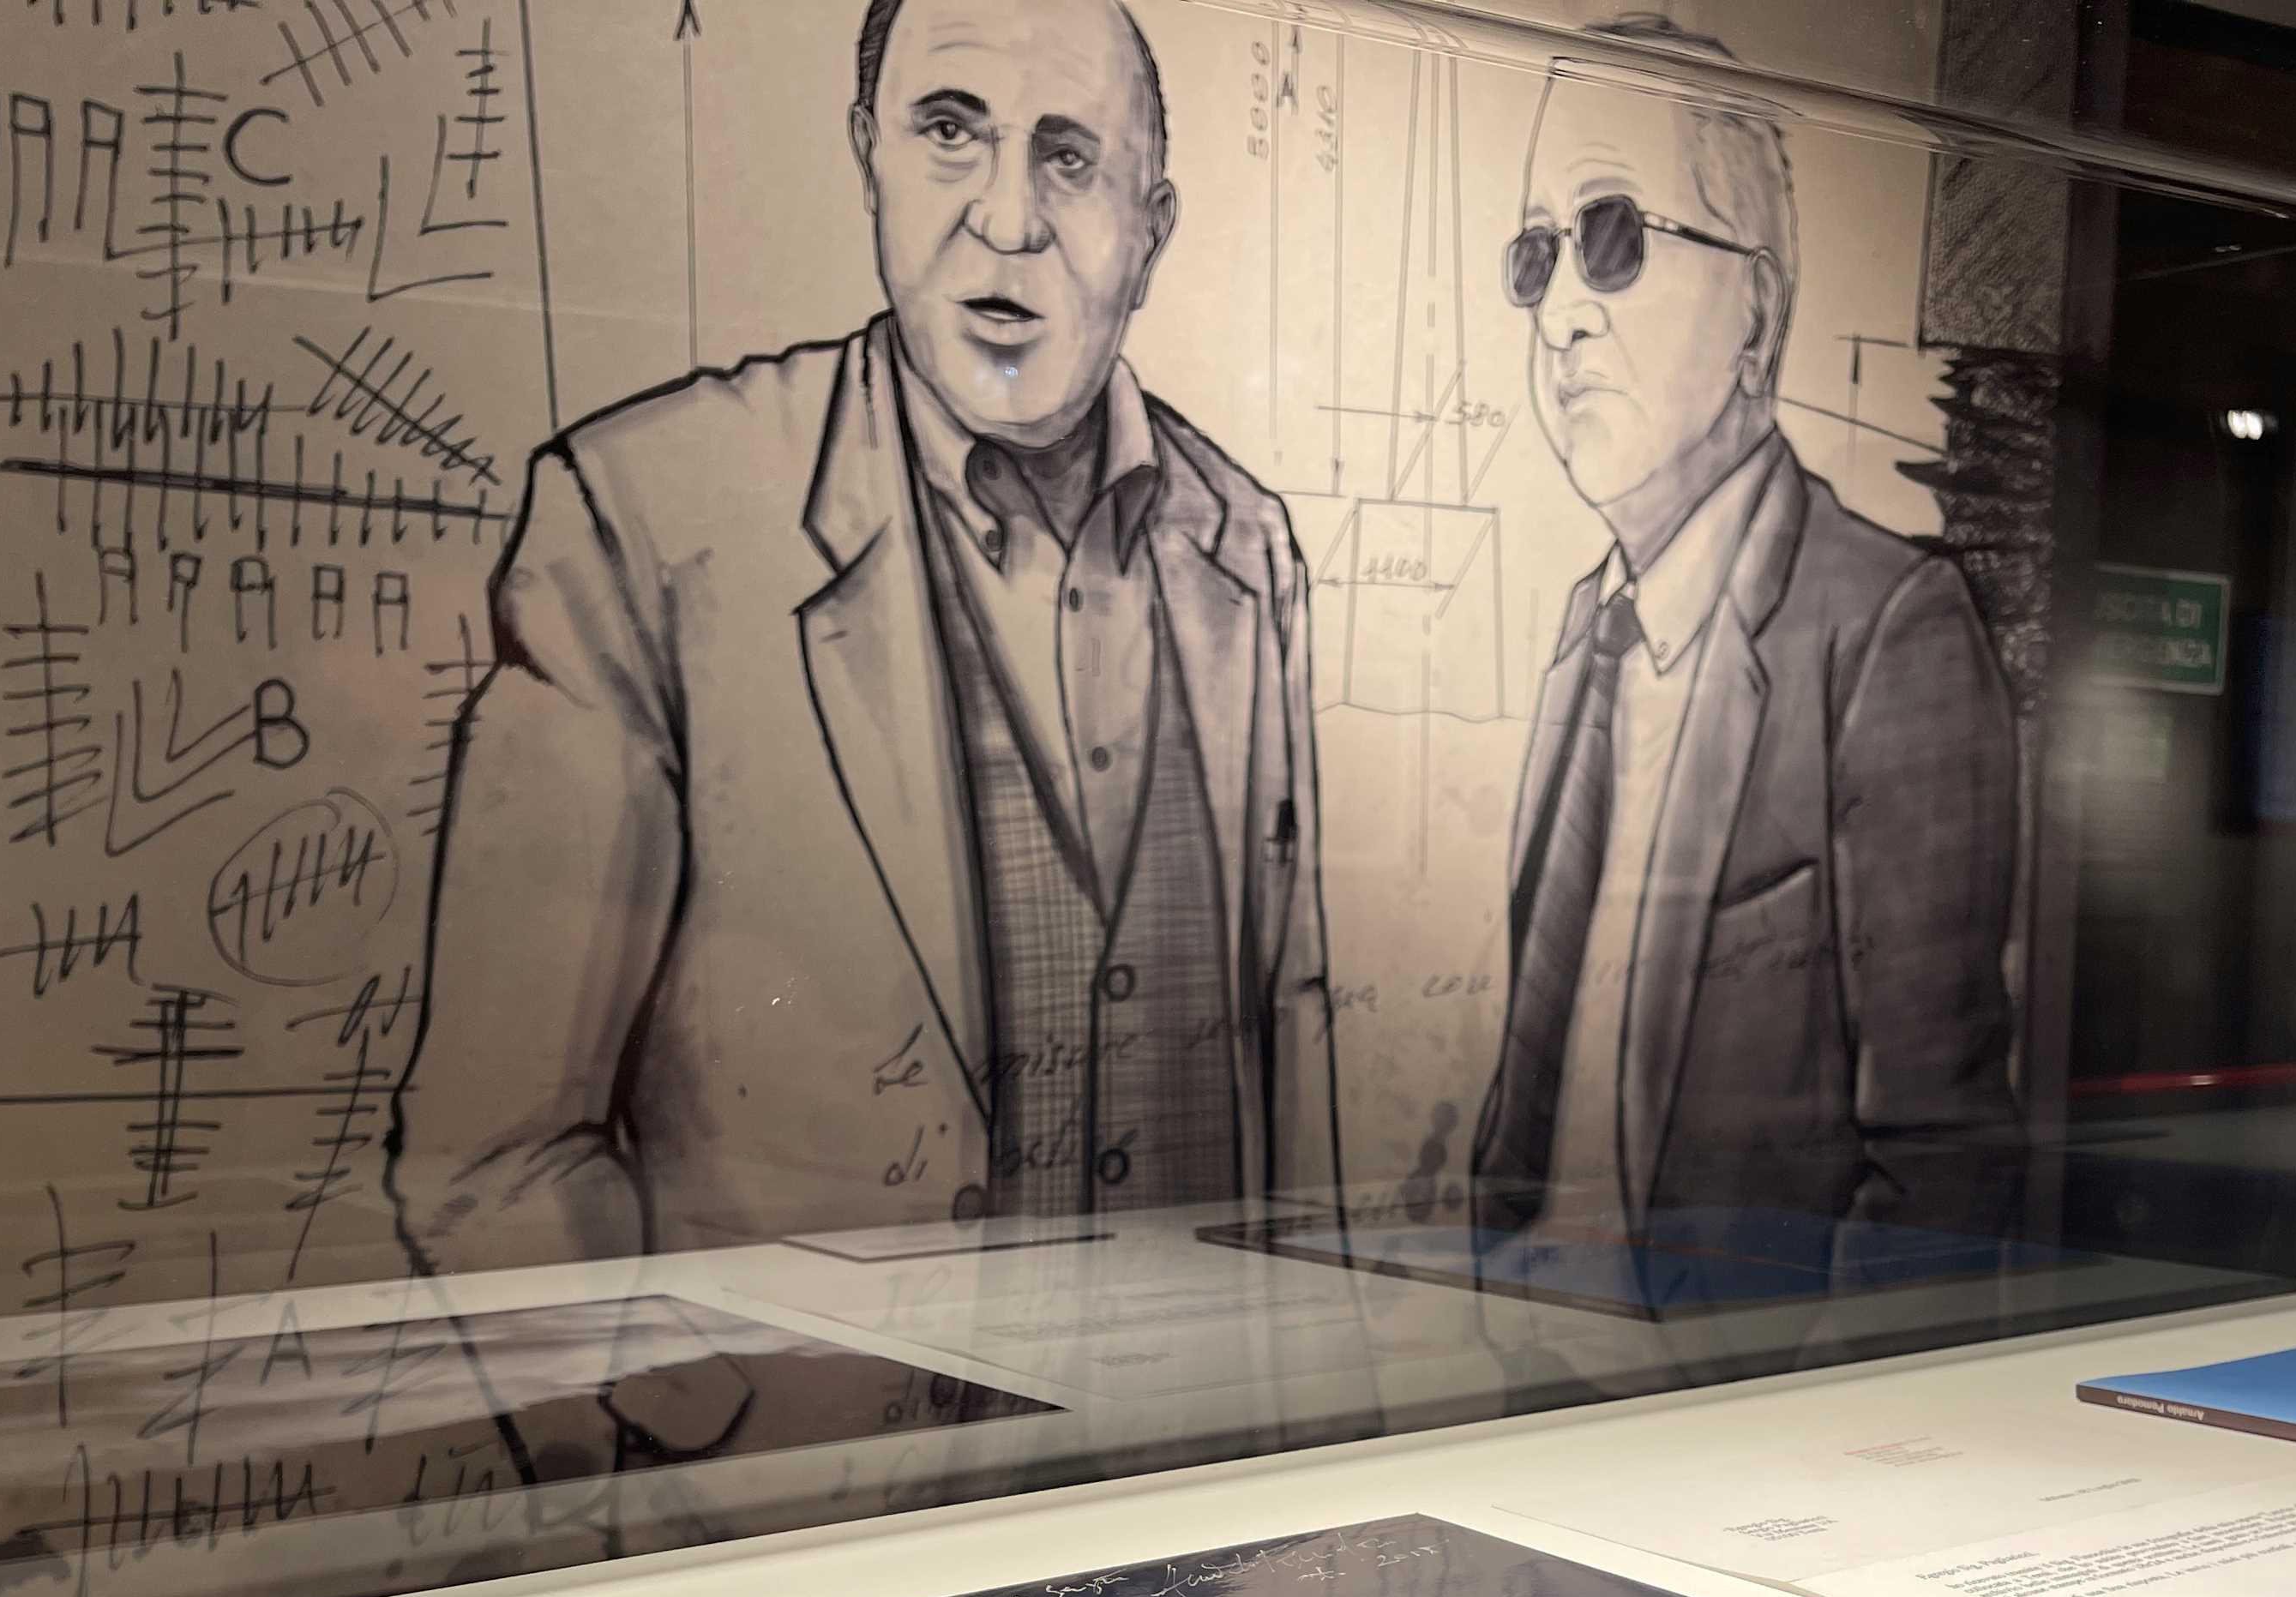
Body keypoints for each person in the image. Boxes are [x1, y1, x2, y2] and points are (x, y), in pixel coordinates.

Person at [389, 0, 1340, 1274]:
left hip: (1200, 1388)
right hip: (814, 1404)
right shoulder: (640, 523)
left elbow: (1290, 1040)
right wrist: (674, 1390)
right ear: (868, 157)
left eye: (1069, 157)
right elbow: (497, 1159)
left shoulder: (1247, 543)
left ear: (1151, 230)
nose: (1008, 217)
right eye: (950, 132)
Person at [1473, 69, 2019, 1250]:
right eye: (1537, 256)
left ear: (1756, 315)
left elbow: (1938, 1167)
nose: (1559, 312)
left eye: (1612, 239)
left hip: (1731, 1355)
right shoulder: (1589, 629)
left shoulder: (1888, 631)